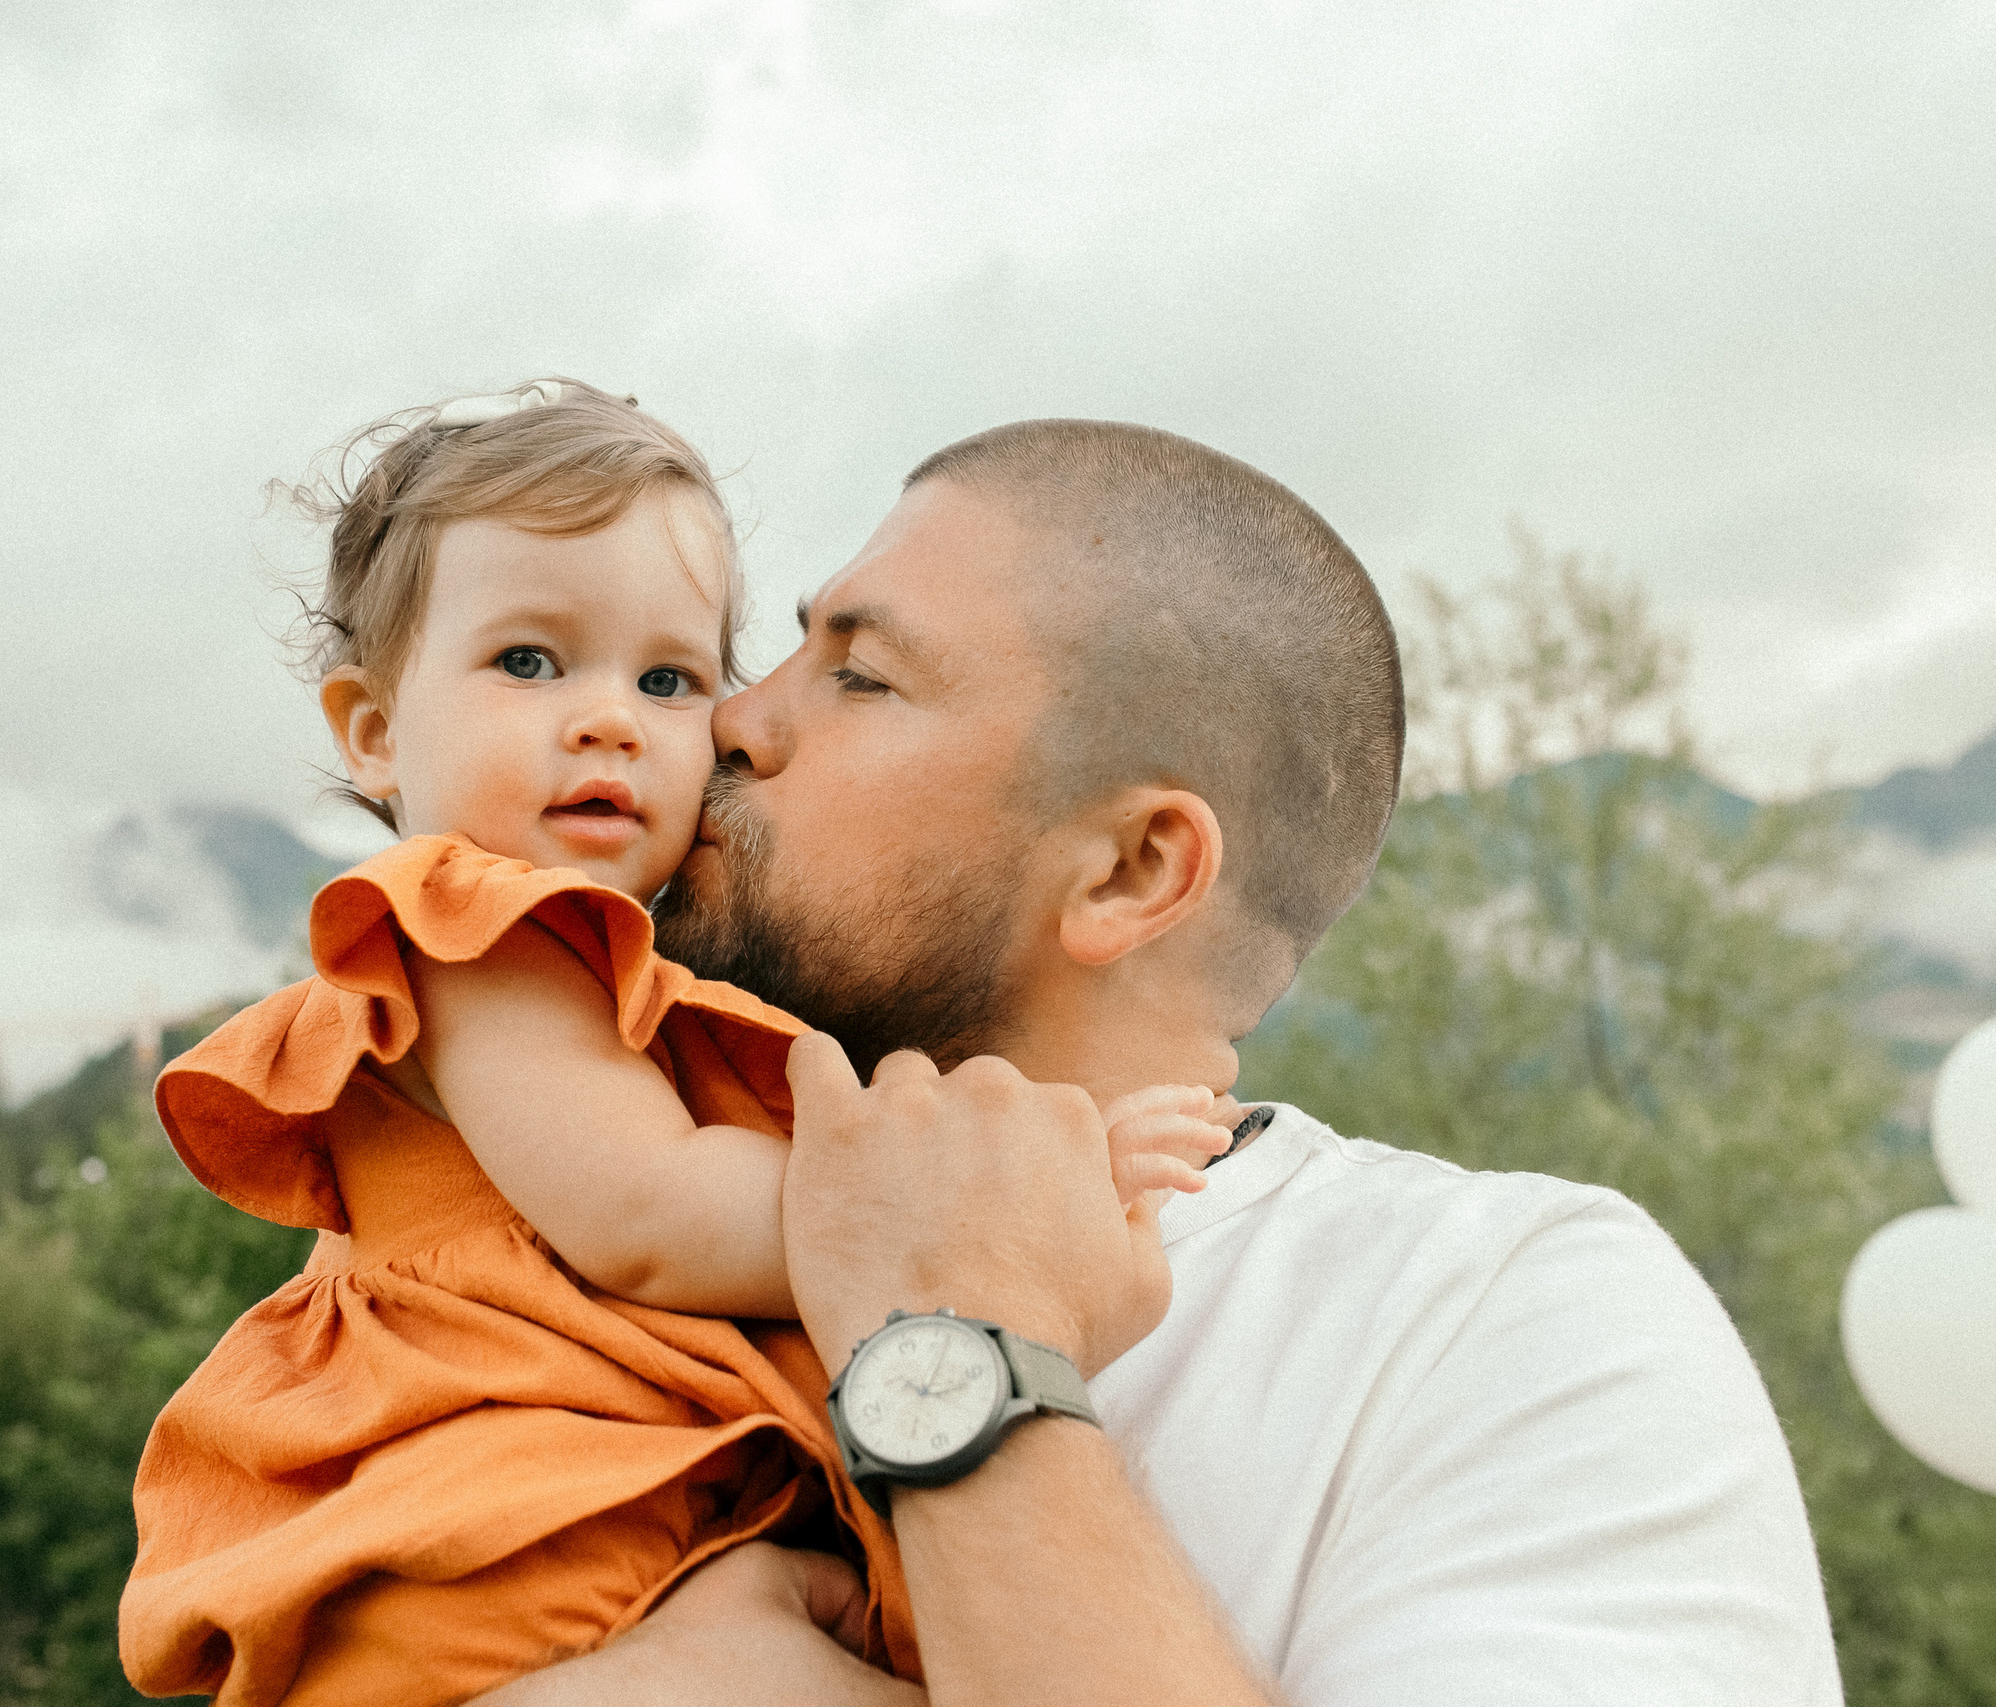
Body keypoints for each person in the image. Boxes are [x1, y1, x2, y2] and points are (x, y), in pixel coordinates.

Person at [482, 418, 1844, 1705]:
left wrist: (958, 1337)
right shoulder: (533, 1215)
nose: (729, 718)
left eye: (859, 674)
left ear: (1132, 872)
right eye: (781, 654)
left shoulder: (1497, 1316)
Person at [116, 383, 1231, 1706]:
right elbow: (644, 1209)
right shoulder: (486, 936)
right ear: (370, 732)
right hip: (508, 1543)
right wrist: (1017, 1182)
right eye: (528, 663)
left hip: (591, 1533)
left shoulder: (630, 973)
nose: (609, 719)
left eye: (669, 678)